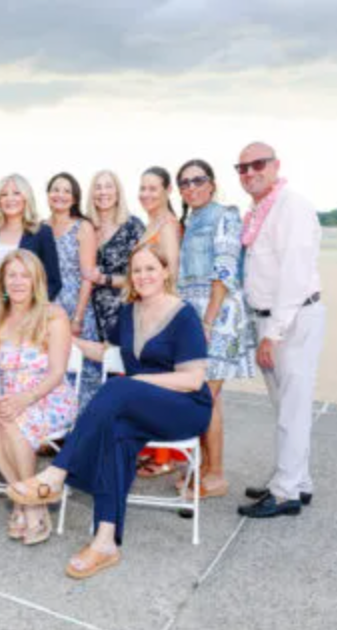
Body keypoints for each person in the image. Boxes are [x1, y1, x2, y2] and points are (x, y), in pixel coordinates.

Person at [8, 243, 212, 579]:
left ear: (165, 272)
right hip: (139, 406)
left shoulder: (183, 314)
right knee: (116, 435)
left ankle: (57, 473)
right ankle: (104, 542)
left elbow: (193, 379)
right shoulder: (129, 312)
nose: (143, 276)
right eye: (137, 270)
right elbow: (109, 352)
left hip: (184, 408)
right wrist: (65, 340)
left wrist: (139, 382)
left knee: (120, 387)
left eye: (150, 268)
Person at [235, 142, 325, 519]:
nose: (250, 172)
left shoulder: (293, 208)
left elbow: (294, 276)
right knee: (285, 406)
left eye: (258, 164)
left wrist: (273, 332)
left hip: (291, 320)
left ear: (275, 166)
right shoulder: (259, 211)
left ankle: (286, 492)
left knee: (292, 407)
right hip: (268, 317)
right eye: (242, 167)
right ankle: (296, 480)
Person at [0, 250, 78, 546]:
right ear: (2, 282)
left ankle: (28, 504)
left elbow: (57, 372)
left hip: (49, 395)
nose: (18, 281)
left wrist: (23, 399)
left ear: (36, 281)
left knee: (12, 421)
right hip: (6, 396)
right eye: (12, 275)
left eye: (25, 275)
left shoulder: (53, 315)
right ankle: (27, 498)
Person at [175, 159, 256, 498]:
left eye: (198, 180)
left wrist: (208, 321)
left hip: (219, 315)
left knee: (204, 397)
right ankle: (208, 470)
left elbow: (224, 271)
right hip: (196, 315)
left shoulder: (225, 215)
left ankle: (215, 474)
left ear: (211, 183)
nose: (192, 187)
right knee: (210, 399)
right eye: (185, 183)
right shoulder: (191, 221)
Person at [134, 166, 183, 478]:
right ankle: (151, 449)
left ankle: (166, 456)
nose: (147, 194)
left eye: (153, 188)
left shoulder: (167, 225)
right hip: (144, 306)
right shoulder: (150, 222)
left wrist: (162, 316)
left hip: (160, 310)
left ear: (168, 191)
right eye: (142, 188)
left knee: (161, 382)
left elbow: (172, 271)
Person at [45, 172, 101, 407]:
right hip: (48, 308)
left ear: (75, 197)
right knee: (50, 368)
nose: (61, 195)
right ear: (48, 195)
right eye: (56, 189)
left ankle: (81, 434)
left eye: (67, 191)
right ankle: (51, 438)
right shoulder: (40, 227)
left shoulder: (83, 227)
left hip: (76, 305)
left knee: (80, 373)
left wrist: (78, 317)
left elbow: (88, 276)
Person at [0, 174, 61, 312]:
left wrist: (32, 308)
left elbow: (53, 281)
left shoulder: (42, 232)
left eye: (16, 193)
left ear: (26, 198)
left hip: (27, 314)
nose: (10, 199)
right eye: (4, 194)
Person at [86, 170, 144, 341]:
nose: (103, 192)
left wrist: (104, 279)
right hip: (89, 316)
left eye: (108, 186)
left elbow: (143, 276)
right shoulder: (84, 225)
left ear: (117, 192)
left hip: (124, 313)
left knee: (121, 365)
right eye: (98, 188)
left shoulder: (133, 226)